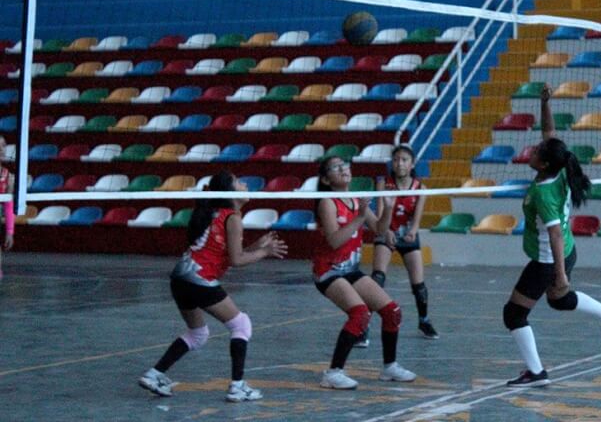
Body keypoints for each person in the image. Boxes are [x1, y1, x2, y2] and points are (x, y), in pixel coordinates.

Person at [503, 85, 601, 387]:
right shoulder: (558, 169)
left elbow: (555, 234)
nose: (531, 151)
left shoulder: (545, 193)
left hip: (550, 258)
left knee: (514, 314)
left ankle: (536, 372)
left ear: (543, 163)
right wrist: (545, 103)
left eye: (535, 152)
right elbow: (549, 131)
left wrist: (559, 274)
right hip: (567, 250)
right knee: (558, 301)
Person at [138, 171, 288, 402]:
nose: (245, 183)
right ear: (229, 192)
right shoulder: (233, 217)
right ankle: (238, 386)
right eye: (239, 181)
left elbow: (226, 255)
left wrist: (257, 247)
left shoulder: (214, 213)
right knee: (242, 325)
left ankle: (155, 374)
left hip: (180, 278)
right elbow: (237, 261)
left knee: (198, 333)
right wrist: (264, 252)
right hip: (199, 279)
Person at [314, 156, 416, 390]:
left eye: (345, 165)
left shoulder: (356, 199)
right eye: (336, 167)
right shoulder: (327, 203)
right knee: (360, 315)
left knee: (392, 311)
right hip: (328, 271)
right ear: (325, 178)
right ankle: (333, 372)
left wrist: (388, 208)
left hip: (350, 270)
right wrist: (360, 217)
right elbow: (334, 241)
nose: (343, 169)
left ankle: (390, 367)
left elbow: (380, 229)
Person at [370, 145, 439, 340]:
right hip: (386, 230)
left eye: (404, 160)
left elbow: (417, 220)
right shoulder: (383, 184)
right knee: (377, 279)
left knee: (419, 285)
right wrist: (387, 231)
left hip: (407, 234)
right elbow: (380, 213)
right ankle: (364, 325)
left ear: (412, 164)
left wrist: (412, 232)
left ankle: (424, 320)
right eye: (396, 160)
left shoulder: (420, 188)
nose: (399, 163)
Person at [0, 136, 13, 280]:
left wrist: (10, 232)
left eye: (3, 146)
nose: (1, 149)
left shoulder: (8, 176)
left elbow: (8, 206)